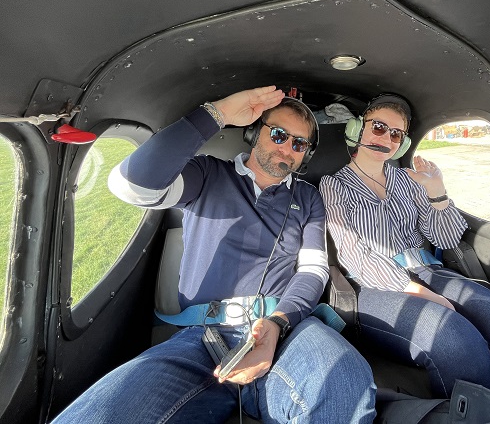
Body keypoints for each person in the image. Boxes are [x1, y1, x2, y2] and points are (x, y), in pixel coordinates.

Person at [53, 86, 376, 423]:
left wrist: (279, 322)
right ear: (254, 133)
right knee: (110, 412)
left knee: (346, 382)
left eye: (299, 144)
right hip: (202, 336)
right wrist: (217, 114)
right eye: (279, 135)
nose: (287, 149)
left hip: (286, 330)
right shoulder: (207, 173)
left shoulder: (308, 198)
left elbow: (313, 270)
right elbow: (129, 186)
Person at [319, 93, 490, 409]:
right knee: (454, 338)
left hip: (429, 270)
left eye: (396, 134)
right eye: (378, 127)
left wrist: (436, 192)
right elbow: (353, 254)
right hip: (372, 287)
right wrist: (420, 293)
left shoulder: (407, 179)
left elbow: (444, 238)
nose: (386, 138)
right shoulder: (334, 185)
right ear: (358, 129)